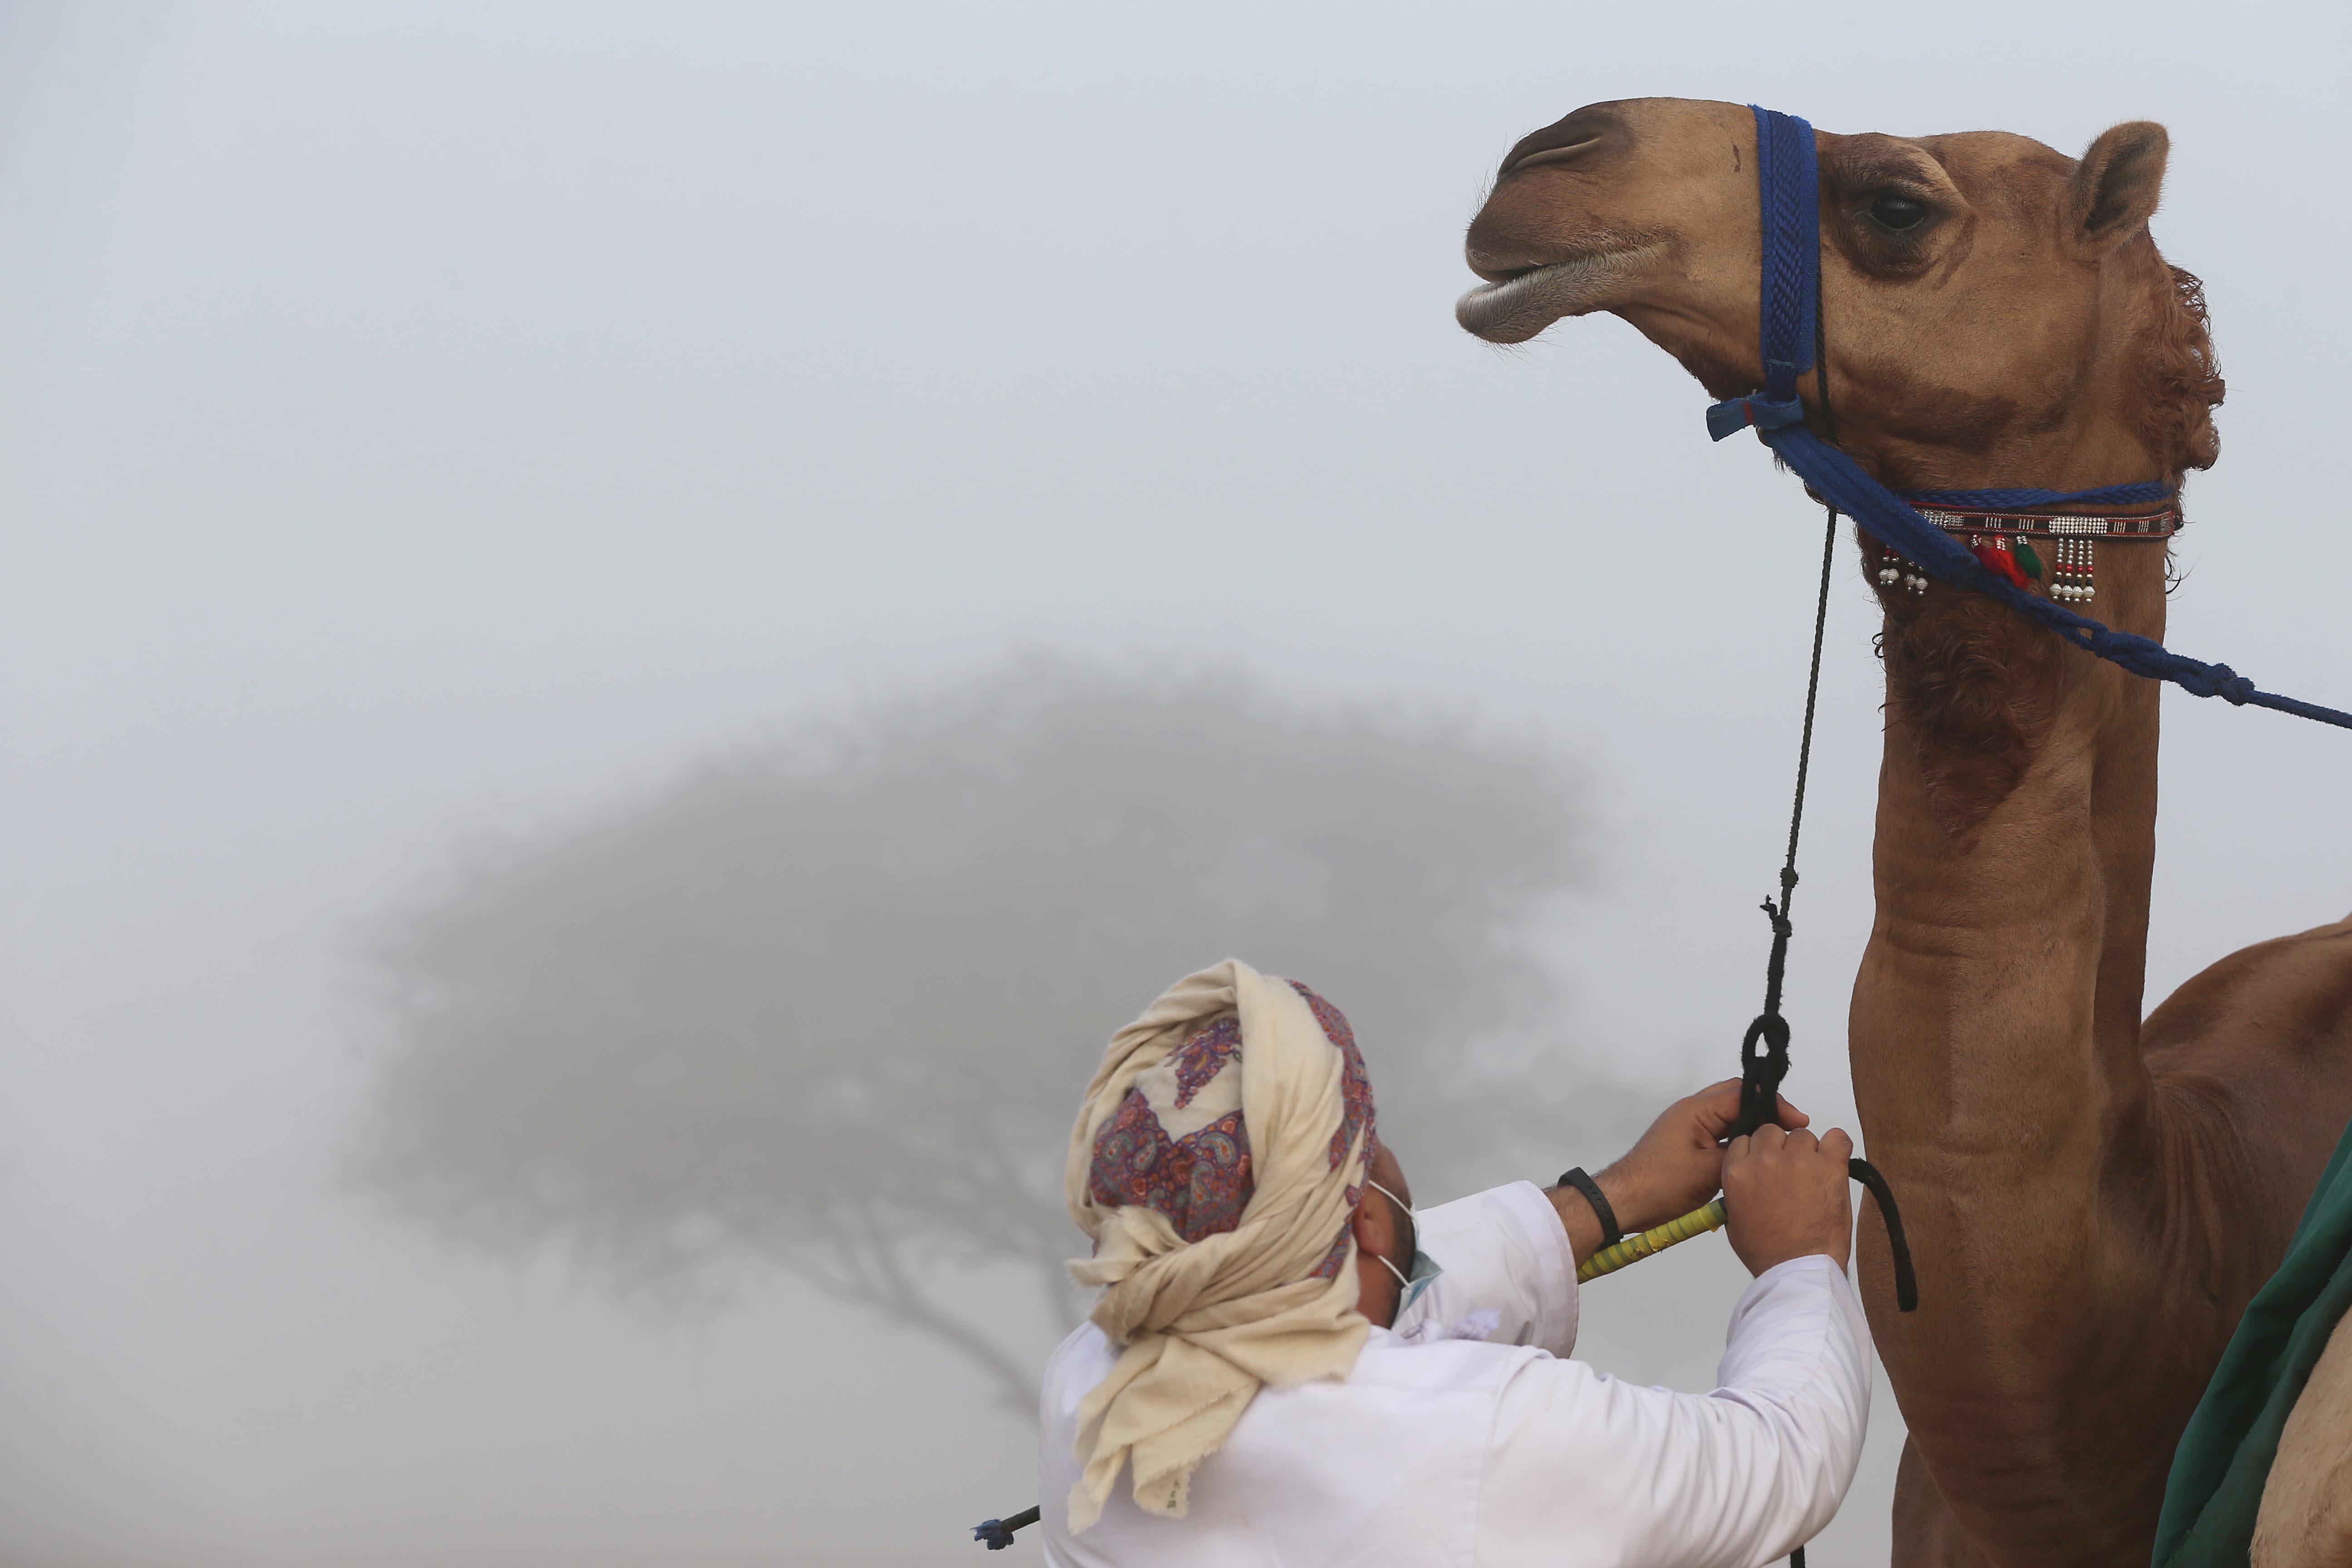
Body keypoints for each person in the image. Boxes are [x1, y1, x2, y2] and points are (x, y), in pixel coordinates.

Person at [1037, 960, 1869, 1568]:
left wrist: (1611, 1199)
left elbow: (1346, 1321)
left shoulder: (1093, 1385)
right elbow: (1782, 1455)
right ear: (1365, 1212)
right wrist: (1799, 1259)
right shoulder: (1491, 1429)